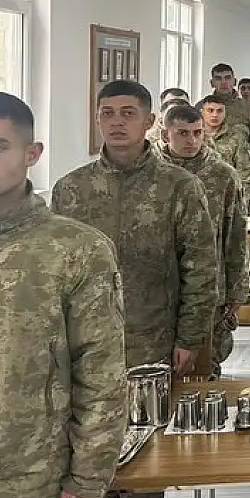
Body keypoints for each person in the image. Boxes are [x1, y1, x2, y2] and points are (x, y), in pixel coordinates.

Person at [0, 92, 127, 498]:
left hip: (28, 477)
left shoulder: (76, 249)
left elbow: (101, 374)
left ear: (31, 153)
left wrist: (86, 479)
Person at [52, 80, 218, 376]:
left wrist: (190, 337)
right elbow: (55, 271)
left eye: (128, 113)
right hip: (86, 343)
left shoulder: (179, 186)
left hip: (155, 339)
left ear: (149, 121)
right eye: (108, 113)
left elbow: (201, 268)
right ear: (98, 119)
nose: (117, 122)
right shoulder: (71, 189)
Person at [156, 102, 248, 377]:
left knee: (206, 368)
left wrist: (236, 290)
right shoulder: (153, 176)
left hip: (210, 286)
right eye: (182, 133)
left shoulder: (222, 176)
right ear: (165, 135)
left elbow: (236, 236)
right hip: (159, 288)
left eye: (197, 133)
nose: (191, 140)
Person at [208, 62, 250, 181]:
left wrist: (243, 151)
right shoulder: (201, 107)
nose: (223, 82)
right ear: (212, 83)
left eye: (227, 78)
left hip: (240, 173)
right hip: (209, 171)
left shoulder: (248, 108)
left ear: (234, 81)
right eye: (218, 78)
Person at [199, 95, 250, 202]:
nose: (215, 115)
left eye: (219, 111)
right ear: (202, 112)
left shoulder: (236, 136)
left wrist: (244, 200)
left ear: (225, 113)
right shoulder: (195, 135)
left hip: (227, 195)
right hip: (199, 195)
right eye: (210, 110)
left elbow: (245, 170)